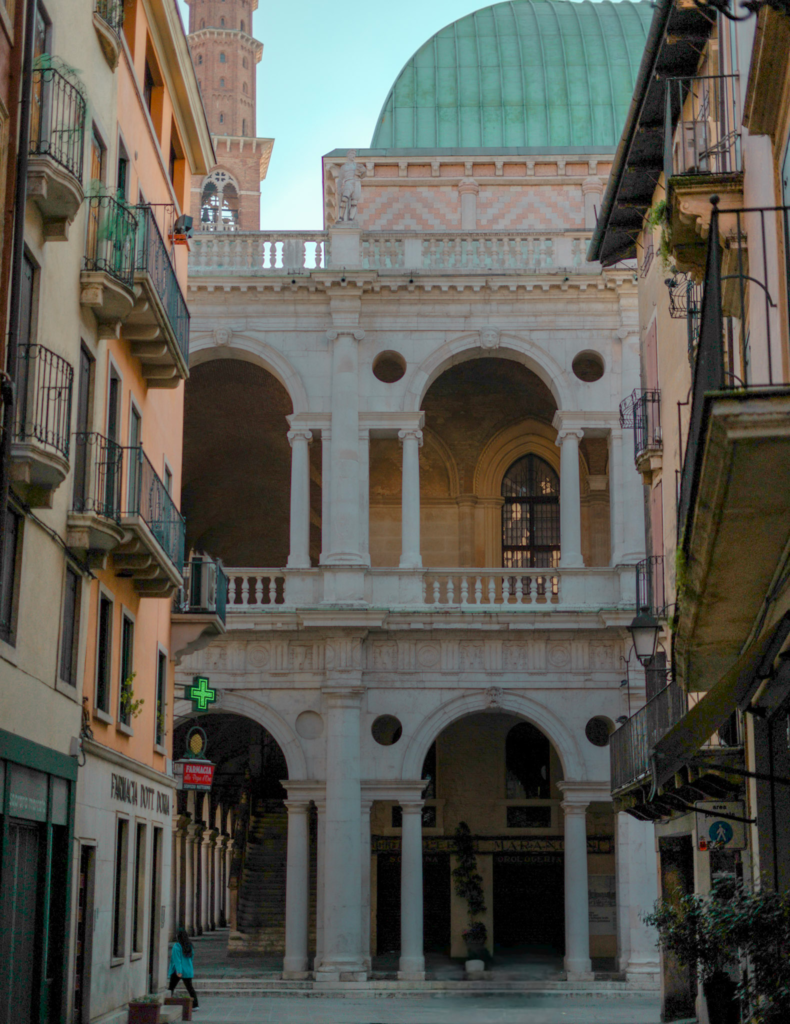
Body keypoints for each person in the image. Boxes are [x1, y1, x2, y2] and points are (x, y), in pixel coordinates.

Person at [168, 929, 199, 1010]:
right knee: (190, 988)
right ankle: (195, 1005)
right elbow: (191, 957)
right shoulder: (190, 945)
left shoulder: (177, 946)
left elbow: (177, 960)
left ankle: (167, 1002)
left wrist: (179, 971)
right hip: (188, 970)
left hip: (178, 971)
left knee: (171, 987)